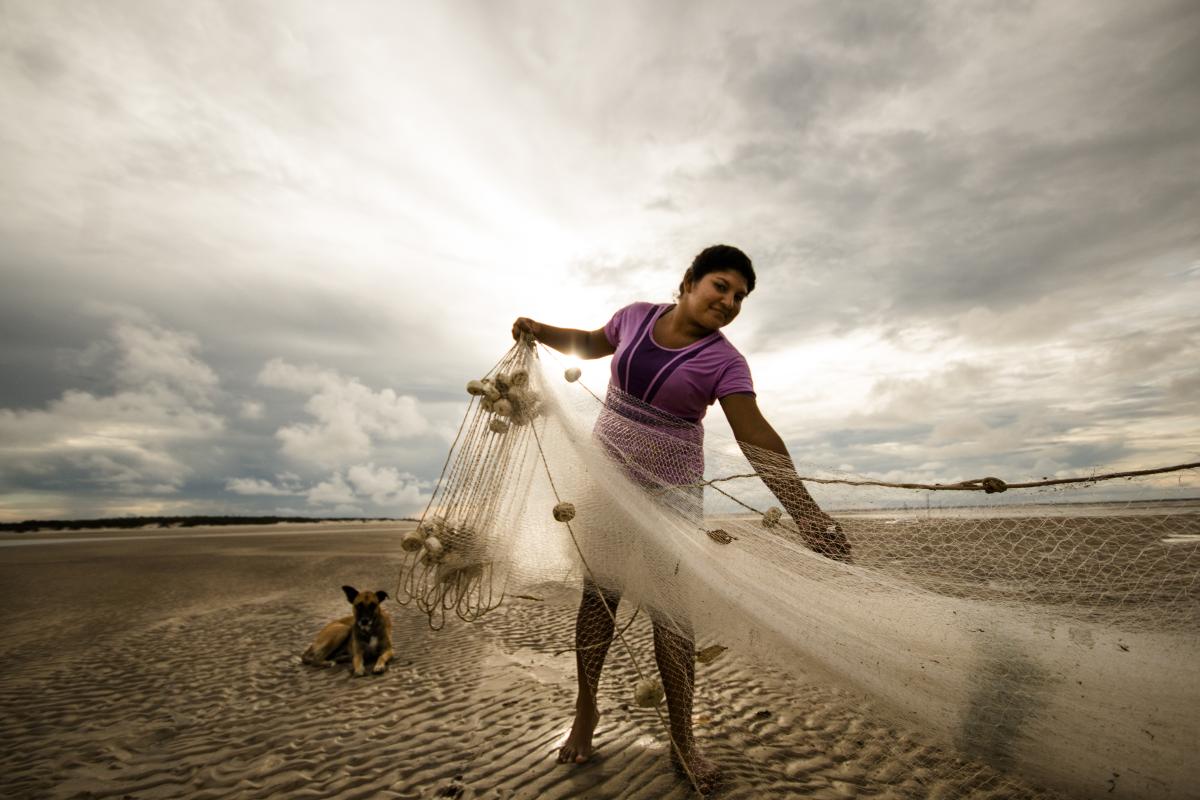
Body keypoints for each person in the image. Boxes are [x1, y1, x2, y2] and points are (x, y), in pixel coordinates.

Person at [512, 244, 849, 790]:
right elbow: (593, 344)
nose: (730, 301)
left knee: (671, 617)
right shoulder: (634, 317)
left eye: (740, 296)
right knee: (598, 598)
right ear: (689, 281)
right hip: (608, 482)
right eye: (722, 286)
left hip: (672, 493)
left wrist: (806, 515)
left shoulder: (726, 362)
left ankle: (683, 738)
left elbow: (755, 436)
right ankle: (585, 710)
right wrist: (540, 329)